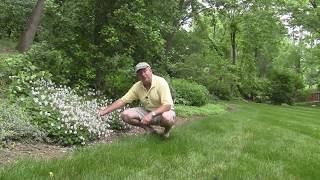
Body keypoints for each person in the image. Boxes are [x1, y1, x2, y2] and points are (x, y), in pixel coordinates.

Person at [99, 62, 176, 138]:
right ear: (138, 75)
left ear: (150, 71)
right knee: (125, 115)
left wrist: (151, 114)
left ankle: (166, 132)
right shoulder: (137, 86)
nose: (143, 74)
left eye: (145, 71)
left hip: (163, 112)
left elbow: (167, 106)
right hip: (147, 111)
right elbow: (122, 101)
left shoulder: (161, 82)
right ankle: (150, 130)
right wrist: (104, 112)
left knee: (167, 117)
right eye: (140, 73)